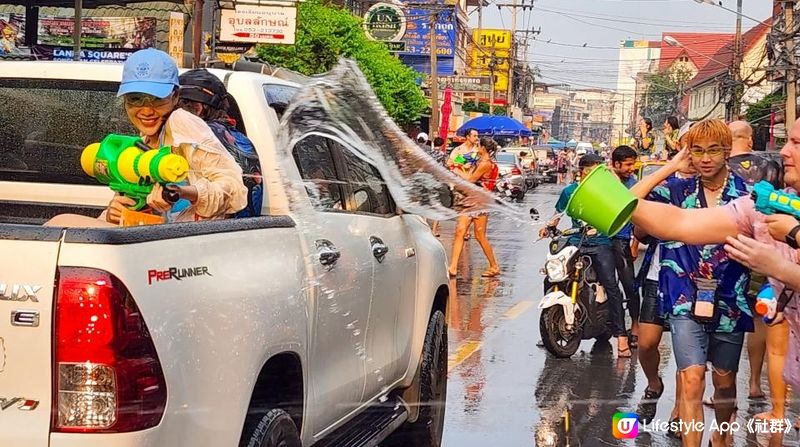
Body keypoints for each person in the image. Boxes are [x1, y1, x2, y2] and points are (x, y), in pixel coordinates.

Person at [630, 119, 761, 447]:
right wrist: (670, 166)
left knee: (725, 383)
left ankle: (722, 434)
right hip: (682, 298)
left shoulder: (747, 194)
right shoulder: (677, 190)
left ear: (727, 151)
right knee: (691, 379)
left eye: (713, 151)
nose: (704, 159)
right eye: (697, 151)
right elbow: (625, 203)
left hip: (730, 300)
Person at [46, 49, 247, 227]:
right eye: (135, 99)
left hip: (186, 246)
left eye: (157, 99)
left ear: (175, 96)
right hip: (155, 240)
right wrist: (114, 212)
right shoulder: (148, 137)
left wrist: (180, 192)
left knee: (59, 224)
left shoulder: (180, 122)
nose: (146, 110)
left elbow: (234, 188)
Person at [723, 119, 788, 423]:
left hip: (754, 267)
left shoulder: (735, 176)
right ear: (748, 140)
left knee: (764, 330)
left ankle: (756, 391)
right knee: (774, 335)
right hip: (767, 268)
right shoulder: (769, 173)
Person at [540, 154, 631, 358]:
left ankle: (622, 336)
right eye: (591, 172)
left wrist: (611, 177)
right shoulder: (569, 191)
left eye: (599, 173)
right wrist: (548, 227)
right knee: (551, 276)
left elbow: (623, 205)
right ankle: (550, 324)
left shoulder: (607, 191)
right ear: (581, 171)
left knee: (610, 285)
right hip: (576, 242)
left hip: (601, 244)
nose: (594, 177)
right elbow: (558, 214)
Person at [178, 68, 263, 218]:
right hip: (244, 232)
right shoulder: (241, 139)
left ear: (197, 109)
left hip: (204, 234)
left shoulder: (201, 138)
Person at [448, 137, 501, 278]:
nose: (476, 147)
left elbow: (469, 180)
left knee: (479, 236)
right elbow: (456, 161)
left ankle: (494, 266)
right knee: (460, 231)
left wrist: (455, 170)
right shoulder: (477, 159)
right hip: (471, 200)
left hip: (480, 202)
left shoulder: (485, 164)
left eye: (478, 145)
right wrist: (456, 162)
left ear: (483, 148)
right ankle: (453, 267)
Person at [610, 145, 641, 346]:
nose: (631, 168)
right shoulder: (605, 180)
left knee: (629, 285)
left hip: (622, 240)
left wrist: (635, 242)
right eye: (628, 164)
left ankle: (635, 325)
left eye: (633, 164)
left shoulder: (634, 184)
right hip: (602, 240)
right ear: (616, 164)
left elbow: (639, 216)